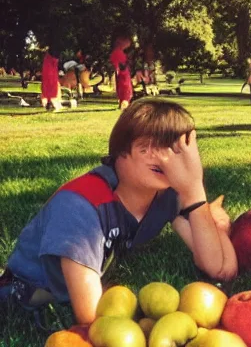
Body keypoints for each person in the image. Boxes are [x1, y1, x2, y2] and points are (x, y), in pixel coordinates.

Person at [0, 99, 237, 326]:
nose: (161, 156)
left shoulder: (167, 195)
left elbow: (221, 269)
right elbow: (92, 315)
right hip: (27, 292)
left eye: (174, 147)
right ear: (119, 151)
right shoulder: (81, 205)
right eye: (145, 146)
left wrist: (196, 194)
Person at [110, 35, 133, 109]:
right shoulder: (117, 52)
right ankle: (124, 103)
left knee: (123, 88)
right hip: (123, 74)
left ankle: (122, 102)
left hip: (124, 73)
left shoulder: (119, 52)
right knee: (125, 88)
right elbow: (116, 64)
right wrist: (117, 70)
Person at [40, 47, 62, 112]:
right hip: (50, 74)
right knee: (51, 86)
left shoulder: (48, 60)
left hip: (50, 73)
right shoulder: (49, 60)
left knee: (50, 87)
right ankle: (50, 103)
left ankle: (50, 102)